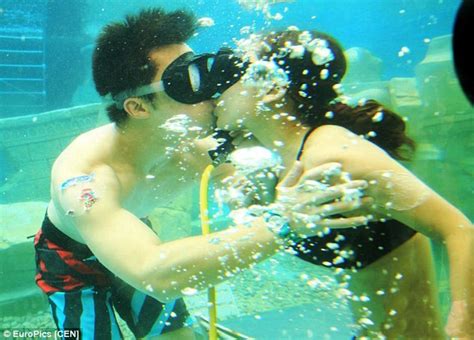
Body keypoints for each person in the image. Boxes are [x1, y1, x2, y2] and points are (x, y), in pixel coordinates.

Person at [33, 9, 369, 339]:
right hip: (70, 259)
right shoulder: (85, 179)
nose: (210, 93)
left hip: (129, 232)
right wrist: (282, 223)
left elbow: (248, 168)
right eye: (187, 82)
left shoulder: (191, 140)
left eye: (203, 73)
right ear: (137, 107)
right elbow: (153, 271)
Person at [213, 29, 474, 338]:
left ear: (271, 88)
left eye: (231, 76)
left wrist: (465, 326)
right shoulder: (286, 155)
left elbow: (458, 230)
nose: (216, 91)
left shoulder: (333, 153)